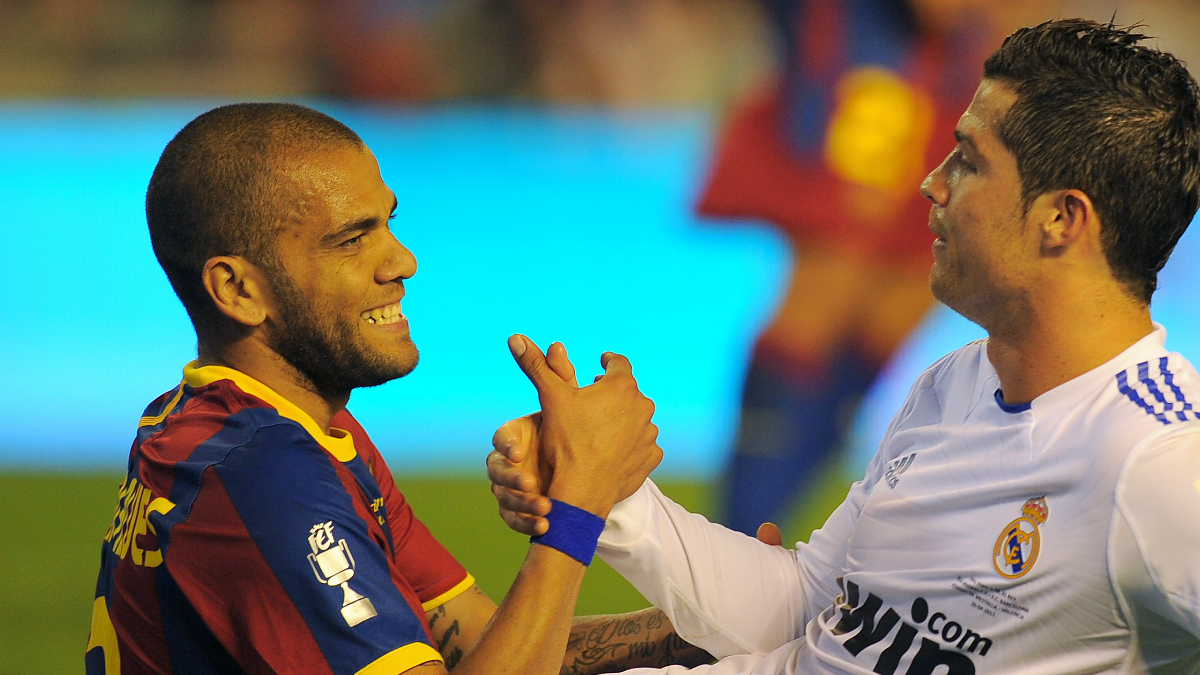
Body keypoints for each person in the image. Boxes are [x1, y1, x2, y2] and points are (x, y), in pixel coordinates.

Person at [489, 18, 1200, 674]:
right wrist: (606, 494)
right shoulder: (955, 383)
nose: (931, 183)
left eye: (968, 161)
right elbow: (809, 602)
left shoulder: (1156, 460)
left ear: (1061, 220)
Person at [85, 103, 713, 675]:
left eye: (388, 223)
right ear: (239, 291)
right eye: (353, 240)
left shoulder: (281, 432)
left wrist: (704, 629)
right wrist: (580, 499)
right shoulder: (260, 477)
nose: (402, 260)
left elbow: (485, 644)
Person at [696, 0, 994, 536]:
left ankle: (755, 528)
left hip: (949, 85)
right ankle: (734, 533)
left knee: (896, 311)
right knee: (820, 300)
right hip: (861, 84)